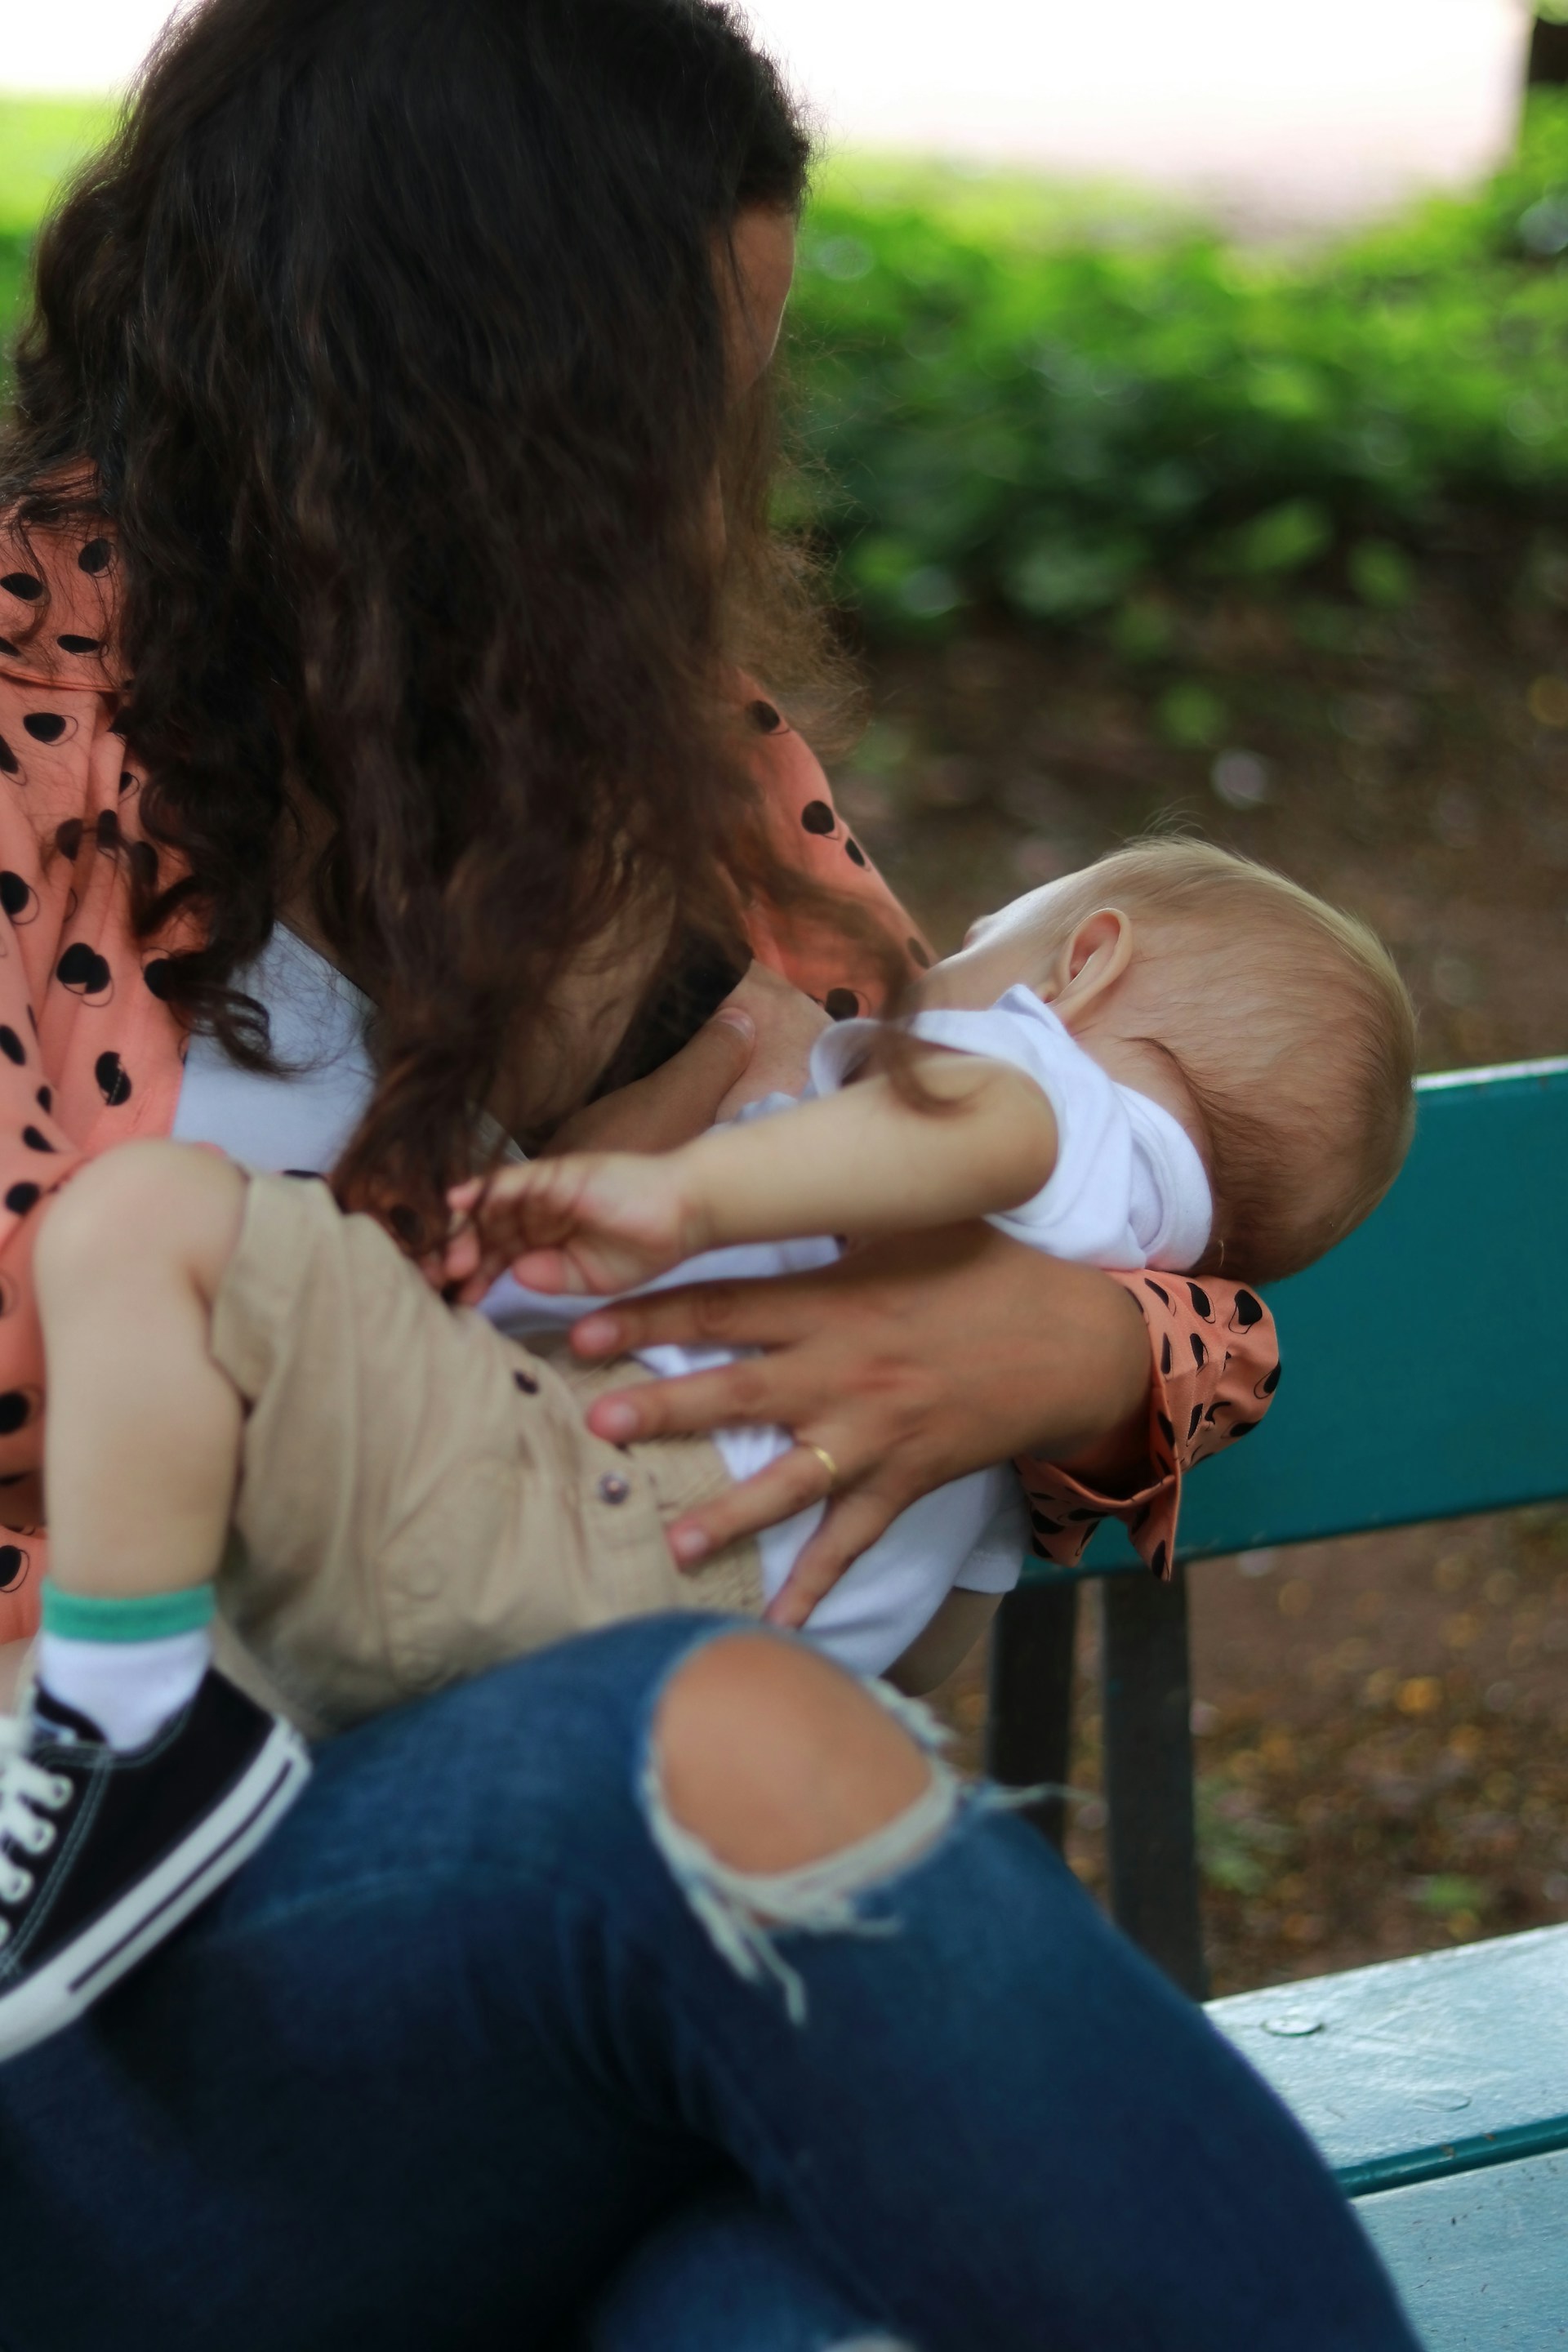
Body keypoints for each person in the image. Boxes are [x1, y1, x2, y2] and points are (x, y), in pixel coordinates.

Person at [0, 1, 1421, 2341]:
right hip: (103, 1995)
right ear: (423, 382)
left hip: (546, 1993)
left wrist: (1081, 1346)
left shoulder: (681, 782)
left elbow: (1049, 1127)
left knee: (784, 2306)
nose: (703, 500)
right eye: (663, 406)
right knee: (738, 1759)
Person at [0, 837, 1417, 2058]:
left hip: (578, 1504)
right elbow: (929, 1652)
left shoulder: (1056, 1098)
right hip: (670, 1660)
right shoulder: (1055, 1296)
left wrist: (684, 1194)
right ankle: (127, 1762)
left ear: (1085, 960)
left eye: (995, 935)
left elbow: (984, 1128)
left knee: (146, 1225)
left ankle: (120, 1756)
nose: (948, 963)